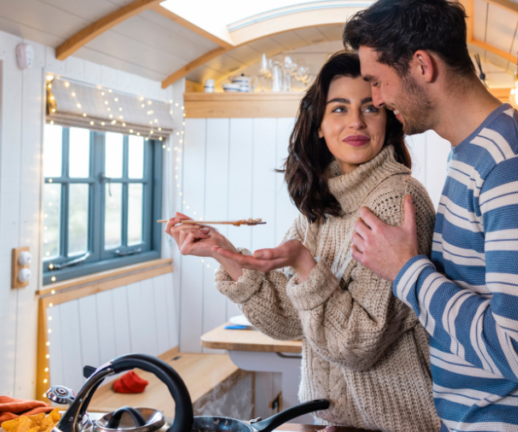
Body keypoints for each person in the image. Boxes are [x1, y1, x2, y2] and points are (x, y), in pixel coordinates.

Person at [343, 0, 518, 432]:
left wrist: (407, 273)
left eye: (378, 81)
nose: (378, 100)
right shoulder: (474, 153)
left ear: (422, 66)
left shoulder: (516, 167)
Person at [165, 52, 441, 432]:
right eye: (339, 109)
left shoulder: (395, 199)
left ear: (389, 120)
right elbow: (286, 321)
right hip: (341, 423)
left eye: (370, 109)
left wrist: (305, 266)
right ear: (319, 126)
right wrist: (223, 252)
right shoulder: (321, 207)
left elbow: (358, 344)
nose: (356, 122)